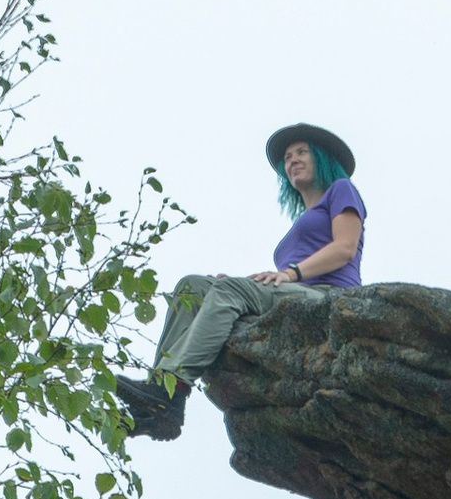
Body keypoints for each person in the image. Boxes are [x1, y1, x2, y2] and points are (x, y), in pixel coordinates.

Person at [114, 124, 364, 439]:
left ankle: (173, 389)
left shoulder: (342, 189)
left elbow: (344, 248)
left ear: (323, 159)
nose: (293, 160)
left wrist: (289, 274)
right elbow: (279, 282)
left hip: (329, 297)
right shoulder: (301, 221)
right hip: (295, 290)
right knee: (193, 287)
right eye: (287, 157)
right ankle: (158, 396)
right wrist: (240, 282)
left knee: (228, 290)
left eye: (302, 152)